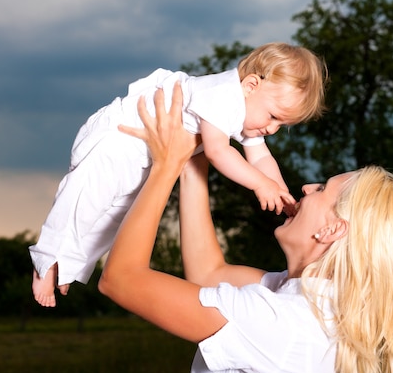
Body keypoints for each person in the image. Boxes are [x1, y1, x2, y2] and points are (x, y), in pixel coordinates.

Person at [98, 84, 393, 373]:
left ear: (333, 231)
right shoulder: (301, 302)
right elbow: (209, 273)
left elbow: (121, 279)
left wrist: (165, 165)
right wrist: (193, 160)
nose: (305, 186)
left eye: (321, 189)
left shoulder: (281, 322)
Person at [30, 42, 327, 307]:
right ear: (251, 85)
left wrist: (279, 190)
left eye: (282, 125)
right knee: (83, 204)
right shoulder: (221, 95)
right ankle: (46, 261)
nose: (272, 129)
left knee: (114, 218)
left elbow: (262, 156)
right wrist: (260, 184)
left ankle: (66, 265)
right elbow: (217, 152)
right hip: (118, 138)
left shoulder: (246, 111)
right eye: (273, 116)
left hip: (145, 155)